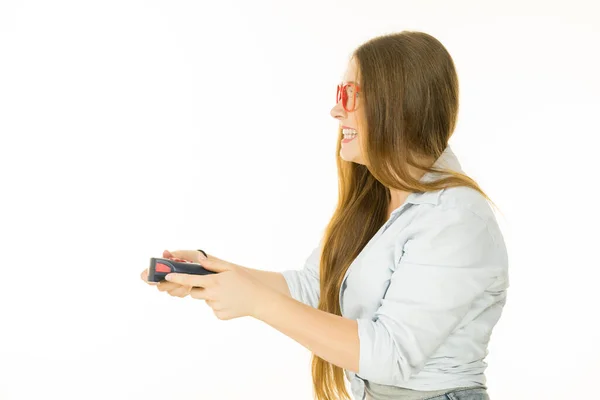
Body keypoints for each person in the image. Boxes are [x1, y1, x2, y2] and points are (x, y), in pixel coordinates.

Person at [141, 30, 509, 400]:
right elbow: (316, 288)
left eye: (350, 95)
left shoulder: (456, 217)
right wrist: (212, 272)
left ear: (397, 106)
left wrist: (254, 301)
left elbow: (391, 355)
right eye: (339, 94)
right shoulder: (377, 201)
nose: (337, 110)